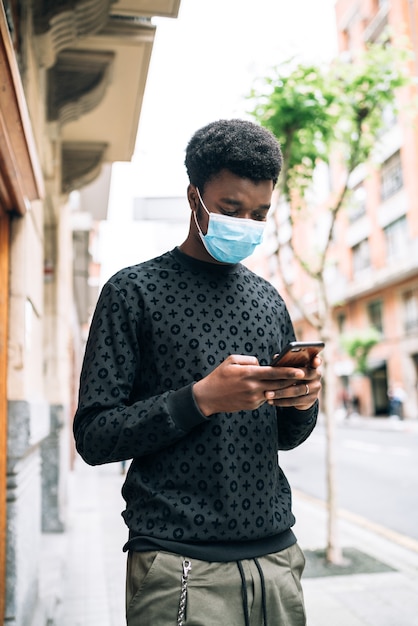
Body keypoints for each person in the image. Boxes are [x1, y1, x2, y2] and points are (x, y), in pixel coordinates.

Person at [73, 119, 322, 626]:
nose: (246, 223)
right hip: (176, 565)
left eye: (259, 214)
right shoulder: (131, 292)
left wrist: (302, 401)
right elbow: (94, 436)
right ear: (194, 198)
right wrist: (202, 398)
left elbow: (287, 438)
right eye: (231, 210)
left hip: (276, 559)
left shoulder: (269, 300)